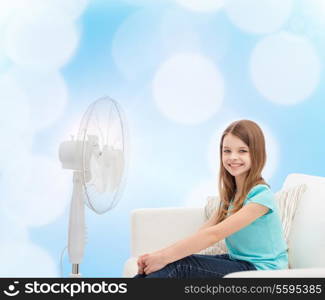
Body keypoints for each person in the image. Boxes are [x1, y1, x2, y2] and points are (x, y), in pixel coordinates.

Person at [134, 119, 288, 278]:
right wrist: (159, 256)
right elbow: (204, 231)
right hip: (239, 262)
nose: (233, 157)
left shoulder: (261, 197)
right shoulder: (232, 195)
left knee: (179, 267)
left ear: (257, 154)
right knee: (171, 264)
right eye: (227, 151)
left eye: (242, 151)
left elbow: (214, 234)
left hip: (262, 271)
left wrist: (163, 257)